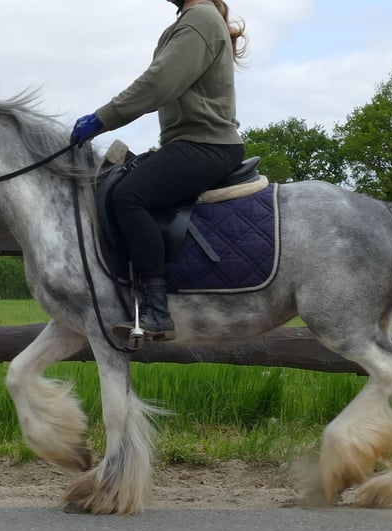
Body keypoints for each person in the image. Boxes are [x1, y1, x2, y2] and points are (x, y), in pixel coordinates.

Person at [70, 0, 247, 341]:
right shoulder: (194, 20)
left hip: (206, 144)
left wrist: (103, 118)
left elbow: (158, 82)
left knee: (129, 195)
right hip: (190, 143)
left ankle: (156, 309)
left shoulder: (199, 20)